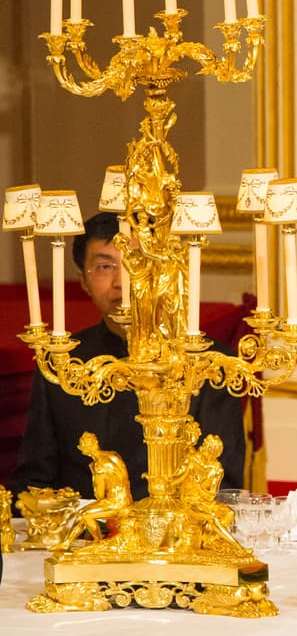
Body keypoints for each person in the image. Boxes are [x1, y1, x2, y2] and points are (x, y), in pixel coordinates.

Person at [7, 212, 245, 505]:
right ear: (83, 280)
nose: (123, 282)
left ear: (162, 272)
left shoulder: (210, 363)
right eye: (105, 266)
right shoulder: (64, 363)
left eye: (138, 263)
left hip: (177, 541)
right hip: (86, 539)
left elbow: (225, 486)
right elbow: (34, 481)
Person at [55, 432, 132, 548]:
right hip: (126, 499)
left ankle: (98, 542)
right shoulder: (113, 455)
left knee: (84, 515)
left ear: (85, 448)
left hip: (116, 503)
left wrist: (94, 475)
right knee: (82, 514)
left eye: (81, 446)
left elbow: (99, 495)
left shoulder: (98, 465)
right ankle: (66, 543)